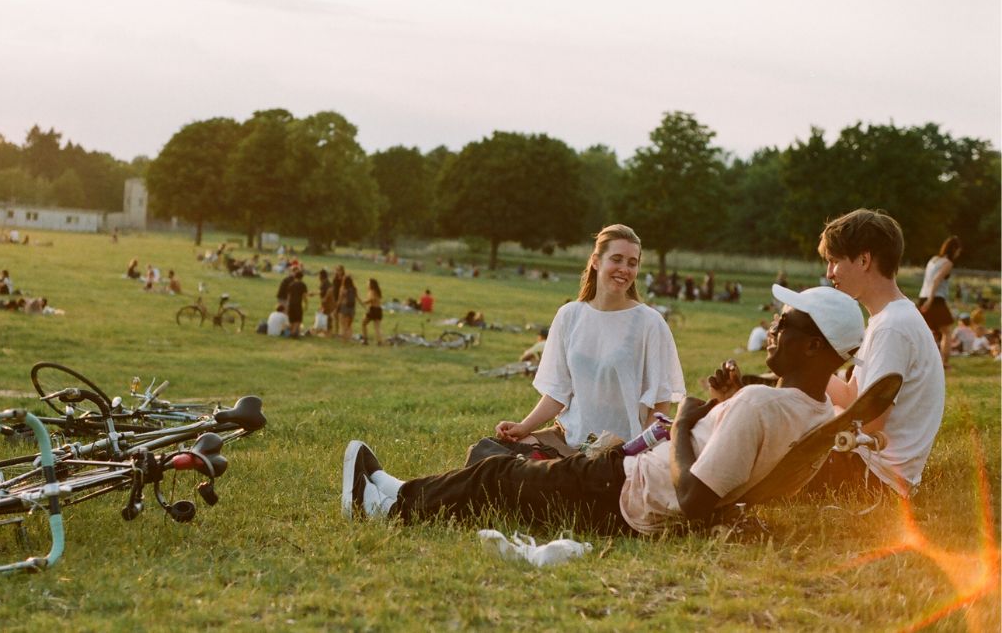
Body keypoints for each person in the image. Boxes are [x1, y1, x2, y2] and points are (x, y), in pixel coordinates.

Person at [342, 284, 863, 533]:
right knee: (504, 475)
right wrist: (722, 408)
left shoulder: (761, 404)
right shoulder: (813, 412)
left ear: (815, 347)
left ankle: (386, 505)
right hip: (625, 483)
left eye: (785, 324)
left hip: (622, 491)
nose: (772, 329)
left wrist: (683, 420)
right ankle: (395, 489)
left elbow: (696, 497)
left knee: (496, 473)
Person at [495, 225, 686, 456]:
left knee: (555, 479)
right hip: (569, 439)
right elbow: (558, 393)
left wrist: (641, 457)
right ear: (596, 261)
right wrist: (524, 427)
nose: (624, 269)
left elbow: (659, 405)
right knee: (496, 453)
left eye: (632, 263)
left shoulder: (650, 323)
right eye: (617, 259)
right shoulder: (569, 315)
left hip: (620, 451)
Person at [812, 208, 944, 496]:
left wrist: (820, 414)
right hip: (872, 470)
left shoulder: (892, 327)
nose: (829, 273)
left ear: (864, 260)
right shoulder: (886, 319)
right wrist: (806, 365)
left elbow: (868, 426)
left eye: (834, 261)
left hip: (872, 476)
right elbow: (851, 398)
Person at [917, 235, 961, 365]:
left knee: (924, 331)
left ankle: (921, 361)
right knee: (947, 331)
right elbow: (936, 280)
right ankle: (944, 363)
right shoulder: (948, 263)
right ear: (954, 249)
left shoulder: (933, 260)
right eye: (958, 250)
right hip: (935, 298)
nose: (958, 254)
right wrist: (930, 300)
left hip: (922, 296)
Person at [286, 269, 308, 338]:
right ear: (302, 277)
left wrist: (288, 305)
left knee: (292, 319)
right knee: (298, 319)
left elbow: (288, 296)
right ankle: (294, 333)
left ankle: (292, 332)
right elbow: (304, 296)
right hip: (298, 304)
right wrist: (306, 304)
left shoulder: (291, 284)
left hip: (291, 304)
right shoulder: (303, 285)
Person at [362, 278, 384, 346]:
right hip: (379, 310)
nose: (367, 284)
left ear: (371, 284)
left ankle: (365, 340)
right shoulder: (377, 291)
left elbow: (372, 299)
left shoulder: (372, 291)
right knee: (377, 327)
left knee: (363, 323)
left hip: (373, 310)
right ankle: (379, 341)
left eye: (368, 283)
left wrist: (365, 301)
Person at [337, 275, 360, 342]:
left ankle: (344, 338)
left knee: (343, 324)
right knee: (349, 325)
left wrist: (336, 308)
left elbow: (340, 299)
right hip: (352, 308)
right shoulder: (354, 289)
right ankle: (349, 337)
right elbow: (357, 298)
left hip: (344, 307)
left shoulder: (343, 288)